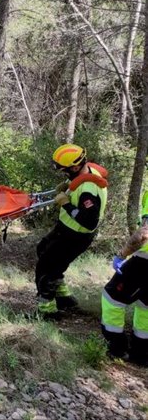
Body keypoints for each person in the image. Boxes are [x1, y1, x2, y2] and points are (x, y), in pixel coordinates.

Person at [35, 144, 108, 318]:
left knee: (45, 269)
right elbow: (76, 182)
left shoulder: (89, 190)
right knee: (42, 249)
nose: (63, 173)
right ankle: (64, 298)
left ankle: (47, 313)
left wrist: (66, 204)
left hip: (76, 236)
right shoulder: (87, 170)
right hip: (65, 229)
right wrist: (67, 185)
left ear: (75, 167)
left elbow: (89, 222)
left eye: (64, 170)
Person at [101, 198, 148, 366]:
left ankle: (116, 347)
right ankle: (141, 353)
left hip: (144, 262)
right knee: (145, 306)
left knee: (112, 298)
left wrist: (122, 255)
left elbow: (143, 234)